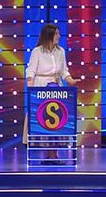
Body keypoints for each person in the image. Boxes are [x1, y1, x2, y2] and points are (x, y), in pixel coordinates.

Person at [23, 24, 78, 161]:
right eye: (56, 34)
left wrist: (70, 80)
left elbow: (64, 71)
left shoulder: (61, 51)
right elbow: (31, 70)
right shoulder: (37, 52)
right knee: (43, 119)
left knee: (57, 120)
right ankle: (48, 154)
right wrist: (30, 83)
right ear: (49, 36)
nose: (59, 36)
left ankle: (54, 154)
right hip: (41, 88)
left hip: (56, 88)